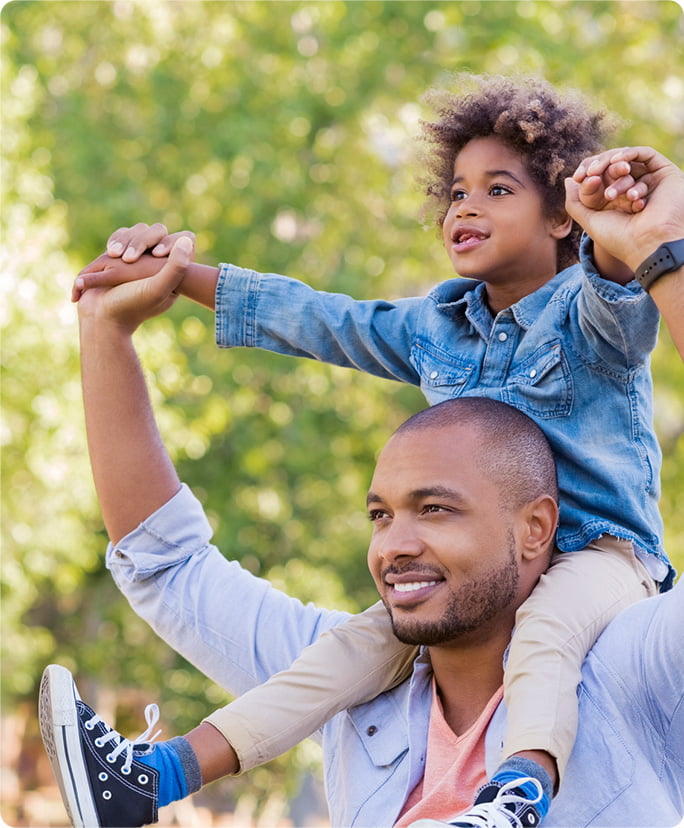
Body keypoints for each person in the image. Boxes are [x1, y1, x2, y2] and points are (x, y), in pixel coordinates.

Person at [65, 75, 673, 826]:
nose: (466, 208)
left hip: (601, 559)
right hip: (487, 574)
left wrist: (630, 231)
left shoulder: (588, 318)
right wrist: (170, 279)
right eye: (456, 193)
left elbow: (618, 281)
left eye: (498, 191)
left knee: (544, 635)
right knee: (342, 652)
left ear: (560, 218)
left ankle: (517, 792)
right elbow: (321, 319)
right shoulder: (437, 327)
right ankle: (154, 777)